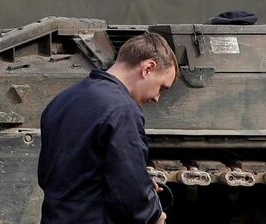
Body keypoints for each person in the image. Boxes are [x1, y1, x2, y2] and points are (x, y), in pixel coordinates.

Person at [38, 31, 177, 224]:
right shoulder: (123, 110)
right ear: (148, 68)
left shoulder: (63, 99)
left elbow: (51, 174)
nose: (156, 97)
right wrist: (153, 215)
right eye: (161, 87)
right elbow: (128, 186)